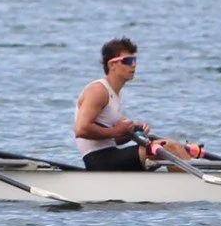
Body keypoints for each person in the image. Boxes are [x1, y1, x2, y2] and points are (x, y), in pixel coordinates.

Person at [74, 38, 194, 170]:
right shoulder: (98, 90)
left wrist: (131, 132)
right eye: (127, 61)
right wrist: (116, 131)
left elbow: (113, 139)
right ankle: (191, 186)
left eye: (134, 61)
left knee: (177, 146)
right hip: (98, 160)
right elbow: (81, 129)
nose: (133, 65)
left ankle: (190, 182)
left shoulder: (116, 94)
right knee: (169, 147)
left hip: (109, 154)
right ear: (111, 65)